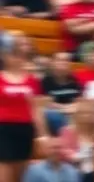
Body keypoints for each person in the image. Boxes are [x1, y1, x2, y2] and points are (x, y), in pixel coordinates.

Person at [0, 49, 50, 182]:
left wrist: (43, 135)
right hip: (4, 129)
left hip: (25, 129)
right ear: (5, 57)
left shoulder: (32, 81)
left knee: (21, 173)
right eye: (12, 55)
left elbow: (36, 109)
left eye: (19, 56)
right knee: (4, 171)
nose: (16, 59)